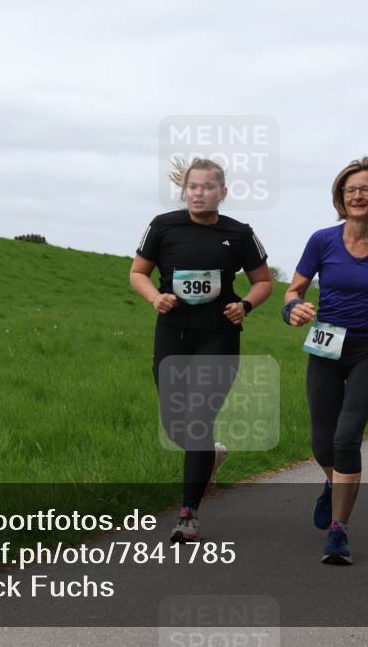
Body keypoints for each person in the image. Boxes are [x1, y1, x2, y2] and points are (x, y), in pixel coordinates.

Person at [130, 158, 273, 542]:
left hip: (219, 337)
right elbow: (137, 272)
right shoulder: (163, 226)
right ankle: (212, 453)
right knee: (178, 425)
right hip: (173, 335)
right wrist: (155, 298)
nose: (199, 193)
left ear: (222, 193)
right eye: (193, 186)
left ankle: (188, 515)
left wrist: (245, 305)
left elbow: (263, 281)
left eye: (208, 187)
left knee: (197, 420)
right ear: (185, 190)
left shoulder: (239, 234)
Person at [281, 156, 368, 565]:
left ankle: (338, 532)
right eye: (350, 189)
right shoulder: (322, 241)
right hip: (325, 345)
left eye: (365, 188)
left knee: (346, 437)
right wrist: (293, 310)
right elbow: (293, 291)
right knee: (322, 444)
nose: (357, 195)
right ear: (340, 197)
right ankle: (333, 485)